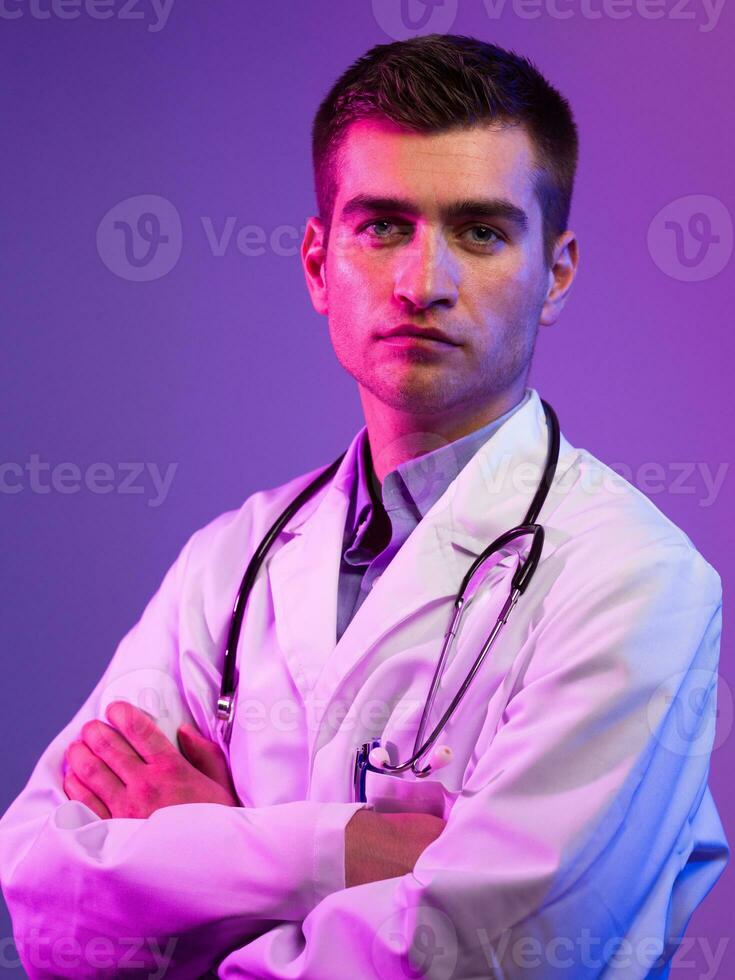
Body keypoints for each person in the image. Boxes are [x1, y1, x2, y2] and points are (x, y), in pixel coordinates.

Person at [0, 33, 727, 980]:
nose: (424, 283)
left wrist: (206, 860)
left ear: (556, 273)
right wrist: (344, 849)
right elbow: (49, 901)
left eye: (480, 231)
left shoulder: (635, 578)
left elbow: (502, 957)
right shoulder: (227, 563)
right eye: (382, 225)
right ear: (316, 262)